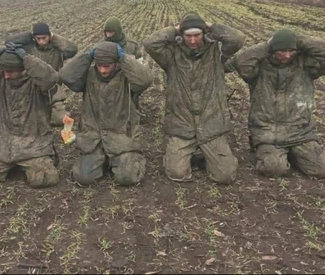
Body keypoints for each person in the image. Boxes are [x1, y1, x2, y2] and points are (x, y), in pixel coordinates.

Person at [143, 11, 245, 184]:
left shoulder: (217, 53)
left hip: (211, 125)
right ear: (181, 35)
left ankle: (209, 153)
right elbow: (150, 44)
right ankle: (193, 152)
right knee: (177, 173)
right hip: (183, 126)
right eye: (188, 35)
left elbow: (237, 39)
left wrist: (211, 26)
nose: (192, 40)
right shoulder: (171, 56)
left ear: (204, 33)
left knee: (225, 176)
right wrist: (175, 28)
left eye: (197, 35)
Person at [225, 28, 325, 178]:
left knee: (321, 170)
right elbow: (240, 61)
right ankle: (273, 153)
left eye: (291, 51)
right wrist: (268, 44)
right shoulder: (258, 68)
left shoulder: (306, 65)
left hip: (300, 131)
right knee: (273, 169)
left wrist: (297, 40)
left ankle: (295, 153)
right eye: (281, 51)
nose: (287, 55)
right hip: (268, 132)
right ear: (272, 50)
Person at [59, 41, 153, 186]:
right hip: (93, 139)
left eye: (107, 66)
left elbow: (145, 79)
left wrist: (124, 58)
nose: (102, 70)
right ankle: (101, 160)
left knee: (128, 177)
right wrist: (88, 56)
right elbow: (66, 75)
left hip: (121, 138)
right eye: (99, 65)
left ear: (116, 63)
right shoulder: (88, 76)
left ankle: (133, 158)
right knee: (83, 178)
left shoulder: (127, 78)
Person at [0, 40, 60, 187]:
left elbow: (51, 77)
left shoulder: (38, 85)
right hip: (4, 147)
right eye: (4, 71)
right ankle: (13, 164)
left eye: (10, 71)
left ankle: (43, 160)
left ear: (22, 68)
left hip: (33, 148)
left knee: (44, 179)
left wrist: (27, 58)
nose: (5, 75)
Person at [6, 22, 78, 126]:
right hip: (32, 90)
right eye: (38, 38)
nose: (41, 41)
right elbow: (8, 42)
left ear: (49, 36)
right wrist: (28, 35)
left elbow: (72, 49)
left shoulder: (57, 50)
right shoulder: (29, 48)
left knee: (59, 119)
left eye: (44, 38)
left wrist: (54, 38)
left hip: (52, 91)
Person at [102, 16, 145, 116]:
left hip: (128, 78)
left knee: (138, 81)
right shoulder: (102, 46)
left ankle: (134, 107)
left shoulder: (132, 46)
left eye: (111, 32)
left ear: (117, 31)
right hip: (110, 79)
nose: (108, 35)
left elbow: (140, 66)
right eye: (106, 32)